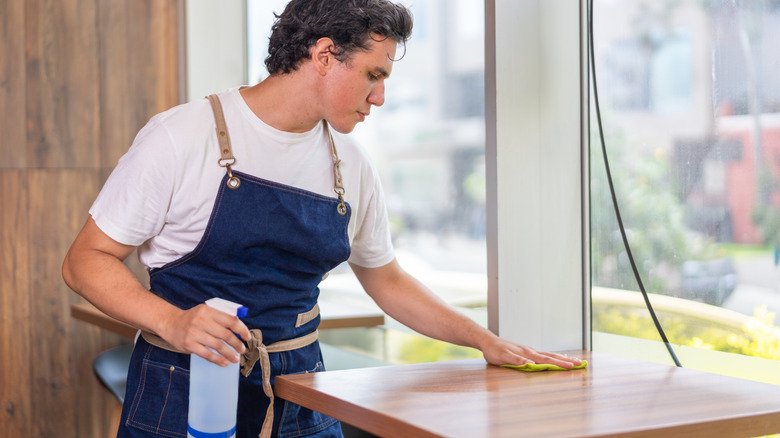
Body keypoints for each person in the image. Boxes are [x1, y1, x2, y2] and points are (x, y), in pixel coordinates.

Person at [62, 1, 582, 437]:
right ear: (325, 55)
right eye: (374, 75)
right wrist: (173, 322)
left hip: (303, 396)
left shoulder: (348, 165)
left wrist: (484, 340)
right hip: (183, 391)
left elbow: (387, 280)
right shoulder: (182, 136)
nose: (380, 96)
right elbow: (86, 260)